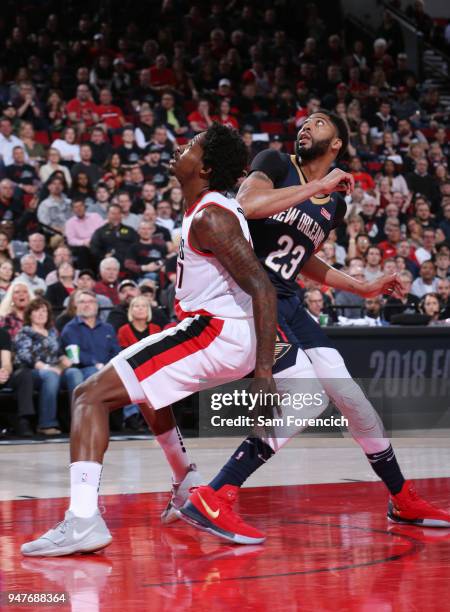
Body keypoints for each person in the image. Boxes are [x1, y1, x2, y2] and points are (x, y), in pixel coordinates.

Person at [179, 111, 450, 543]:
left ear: (338, 143)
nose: (306, 127)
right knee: (307, 397)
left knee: (352, 398)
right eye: (304, 122)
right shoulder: (275, 163)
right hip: (248, 296)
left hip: (287, 300)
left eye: (319, 123)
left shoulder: (335, 205)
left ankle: (402, 497)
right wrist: (318, 186)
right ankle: (219, 491)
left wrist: (361, 287)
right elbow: (248, 205)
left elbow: (302, 255)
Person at [21, 123, 278, 556]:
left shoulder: (213, 215)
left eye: (193, 145)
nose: (182, 147)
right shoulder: (206, 207)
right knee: (145, 389)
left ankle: (83, 520)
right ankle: (187, 482)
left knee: (88, 395)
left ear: (207, 166)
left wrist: (264, 372)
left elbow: (263, 288)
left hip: (216, 332)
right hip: (219, 332)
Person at [14, 297, 72, 436]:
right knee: (50, 376)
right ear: (30, 314)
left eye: (44, 311)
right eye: (37, 311)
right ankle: (46, 424)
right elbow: (25, 355)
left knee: (74, 373)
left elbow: (58, 352)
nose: (41, 314)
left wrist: (64, 358)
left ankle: (76, 420)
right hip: (32, 372)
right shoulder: (25, 332)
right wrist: (46, 367)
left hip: (53, 369)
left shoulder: (52, 332)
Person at [0, 326, 35, 436]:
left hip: (1, 376)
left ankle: (24, 421)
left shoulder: (3, 334)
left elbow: (6, 362)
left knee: (24, 374)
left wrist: (4, 372)